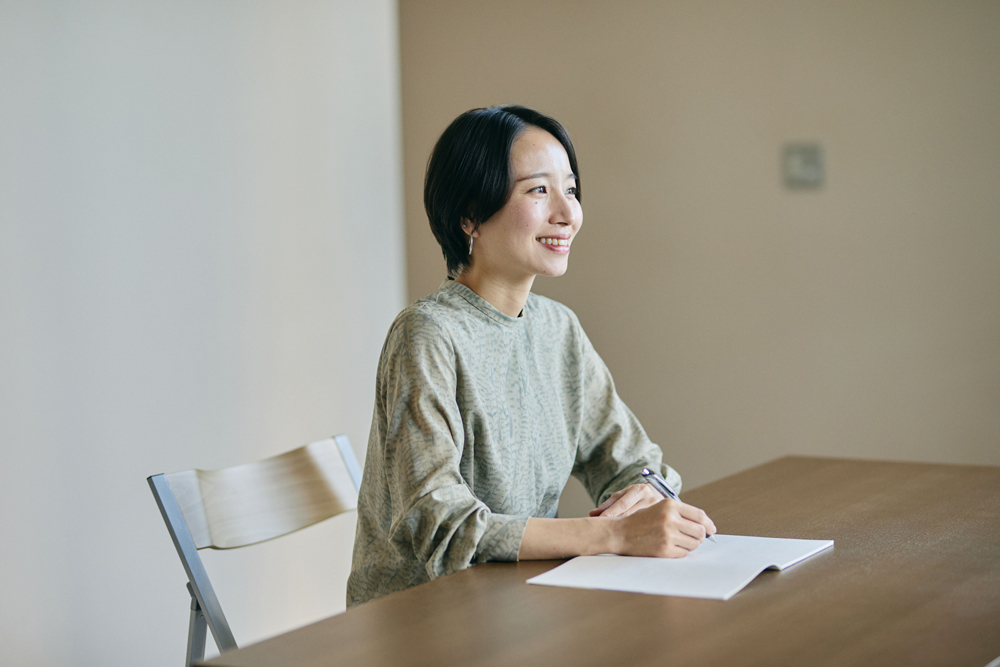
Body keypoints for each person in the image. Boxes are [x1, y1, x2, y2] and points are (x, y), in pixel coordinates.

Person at [347, 105, 715, 606]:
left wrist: (648, 498)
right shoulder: (427, 335)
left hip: (518, 604)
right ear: (469, 216)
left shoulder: (558, 329)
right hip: (423, 621)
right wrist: (616, 535)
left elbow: (638, 465)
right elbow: (442, 525)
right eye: (538, 190)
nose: (567, 214)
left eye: (571, 189)